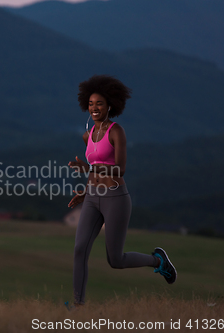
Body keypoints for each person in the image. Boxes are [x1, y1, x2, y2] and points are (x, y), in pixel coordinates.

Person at [65, 75, 176, 310]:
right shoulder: (88, 135)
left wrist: (90, 168)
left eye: (100, 104)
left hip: (115, 199)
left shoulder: (117, 132)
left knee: (115, 260)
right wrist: (85, 193)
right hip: (93, 198)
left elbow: (120, 169)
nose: (95, 108)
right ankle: (78, 306)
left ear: (110, 106)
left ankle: (158, 261)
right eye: (91, 104)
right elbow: (94, 172)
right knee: (79, 249)